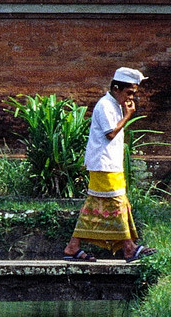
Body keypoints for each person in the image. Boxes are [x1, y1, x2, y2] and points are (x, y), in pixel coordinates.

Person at [63, 66, 157, 262]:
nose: (131, 98)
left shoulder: (114, 105)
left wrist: (124, 112)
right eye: (128, 92)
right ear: (116, 88)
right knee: (116, 202)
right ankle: (129, 248)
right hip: (103, 165)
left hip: (110, 164)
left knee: (102, 204)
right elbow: (110, 133)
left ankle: (73, 246)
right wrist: (128, 115)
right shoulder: (105, 105)